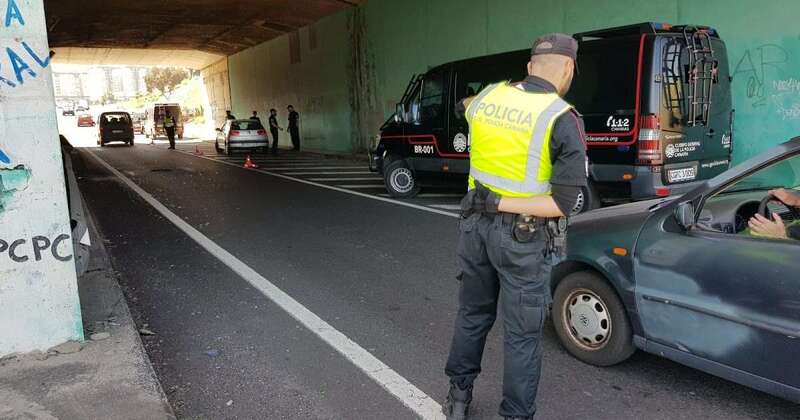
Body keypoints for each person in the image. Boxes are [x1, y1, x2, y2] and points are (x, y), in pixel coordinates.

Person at [443, 33, 587, 420]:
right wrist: (499, 202)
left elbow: (464, 106)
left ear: (528, 68)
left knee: (472, 314)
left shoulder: (489, 97)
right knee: (522, 336)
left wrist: (504, 91)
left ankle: (458, 398)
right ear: (569, 69)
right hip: (522, 238)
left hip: (474, 230)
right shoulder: (561, 117)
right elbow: (564, 202)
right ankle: (515, 415)